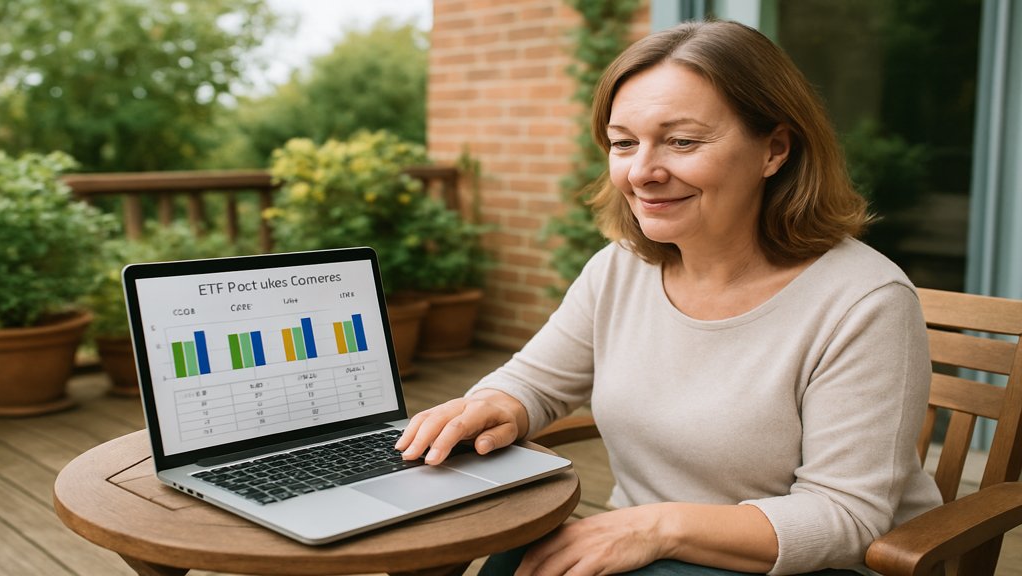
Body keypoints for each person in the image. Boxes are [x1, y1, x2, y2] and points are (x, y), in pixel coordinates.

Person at [395, 19, 942, 576]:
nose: (642, 172)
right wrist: (495, 405)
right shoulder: (620, 269)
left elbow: (845, 516)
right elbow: (533, 382)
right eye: (623, 143)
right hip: (647, 546)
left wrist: (652, 526)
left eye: (681, 141)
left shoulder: (866, 302)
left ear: (774, 149)